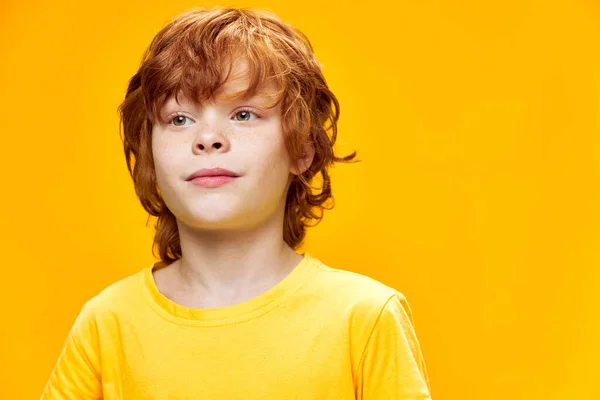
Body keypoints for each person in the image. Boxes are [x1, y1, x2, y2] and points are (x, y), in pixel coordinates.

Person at [41, 6, 432, 399]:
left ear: (302, 149)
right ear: (149, 154)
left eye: (244, 114)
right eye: (179, 119)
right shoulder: (106, 323)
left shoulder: (364, 318)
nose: (208, 138)